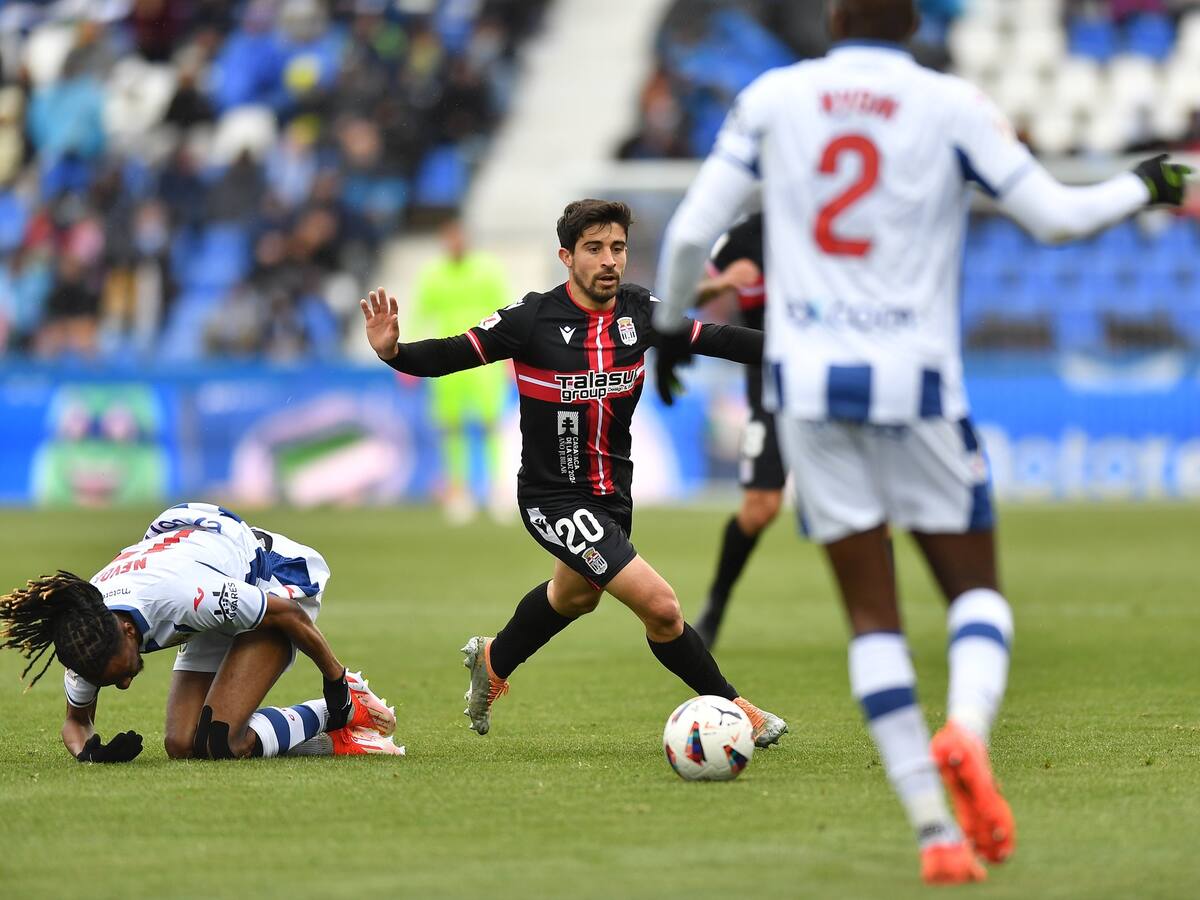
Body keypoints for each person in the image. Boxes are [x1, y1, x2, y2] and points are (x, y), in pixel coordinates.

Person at [652, 0, 1191, 884]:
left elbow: (682, 238)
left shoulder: (774, 97)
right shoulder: (951, 103)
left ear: (833, 21)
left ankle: (936, 836)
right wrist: (1147, 184)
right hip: (919, 384)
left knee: (874, 620)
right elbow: (1054, 217)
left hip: (810, 391)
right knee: (976, 594)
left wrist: (673, 330)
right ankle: (966, 734)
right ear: (910, 23)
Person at [361, 199, 787, 748]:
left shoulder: (640, 312)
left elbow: (715, 338)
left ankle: (494, 658)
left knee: (577, 597)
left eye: (617, 248)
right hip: (552, 498)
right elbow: (454, 353)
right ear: (566, 256)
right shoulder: (531, 319)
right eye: (594, 249)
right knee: (661, 608)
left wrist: (790, 350)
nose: (609, 260)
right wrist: (395, 352)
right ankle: (737, 708)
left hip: (614, 494)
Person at [0, 502, 402, 762]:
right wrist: (90, 753)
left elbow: (288, 615)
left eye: (121, 671)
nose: (123, 684)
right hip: (207, 583)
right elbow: (75, 723)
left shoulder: (182, 596)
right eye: (115, 680)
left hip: (275, 585)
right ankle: (335, 742)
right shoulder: (85, 638)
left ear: (126, 629)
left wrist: (334, 681)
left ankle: (349, 704)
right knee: (182, 745)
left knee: (223, 742)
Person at [688, 213, 787, 649]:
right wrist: (723, 281)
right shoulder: (743, 238)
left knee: (869, 511)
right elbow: (684, 295)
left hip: (833, 380)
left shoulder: (831, 227)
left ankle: (883, 630)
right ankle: (715, 604)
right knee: (760, 507)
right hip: (771, 385)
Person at [408, 218, 512, 523]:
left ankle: (496, 491)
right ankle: (459, 492)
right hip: (446, 361)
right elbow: (421, 315)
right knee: (452, 427)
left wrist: (509, 357)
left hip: (484, 360)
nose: (454, 243)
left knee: (490, 425)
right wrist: (407, 358)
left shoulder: (487, 270)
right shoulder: (433, 275)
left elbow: (505, 313)